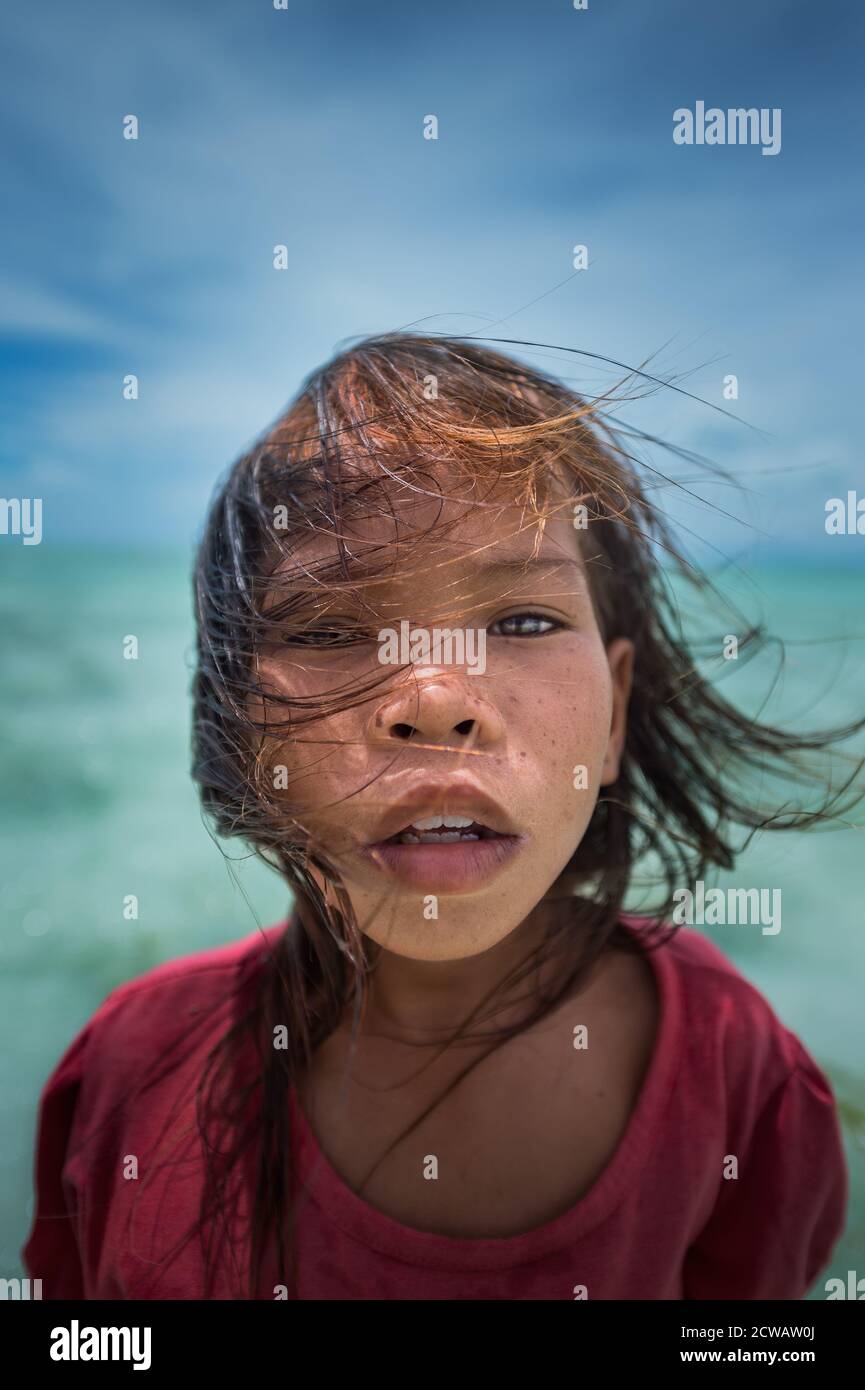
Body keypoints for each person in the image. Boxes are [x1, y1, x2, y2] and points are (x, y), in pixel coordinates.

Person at [22, 333, 861, 1299]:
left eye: (522, 622)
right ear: (237, 721)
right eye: (332, 630)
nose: (434, 696)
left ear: (617, 708)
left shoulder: (737, 1074)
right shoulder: (130, 1072)